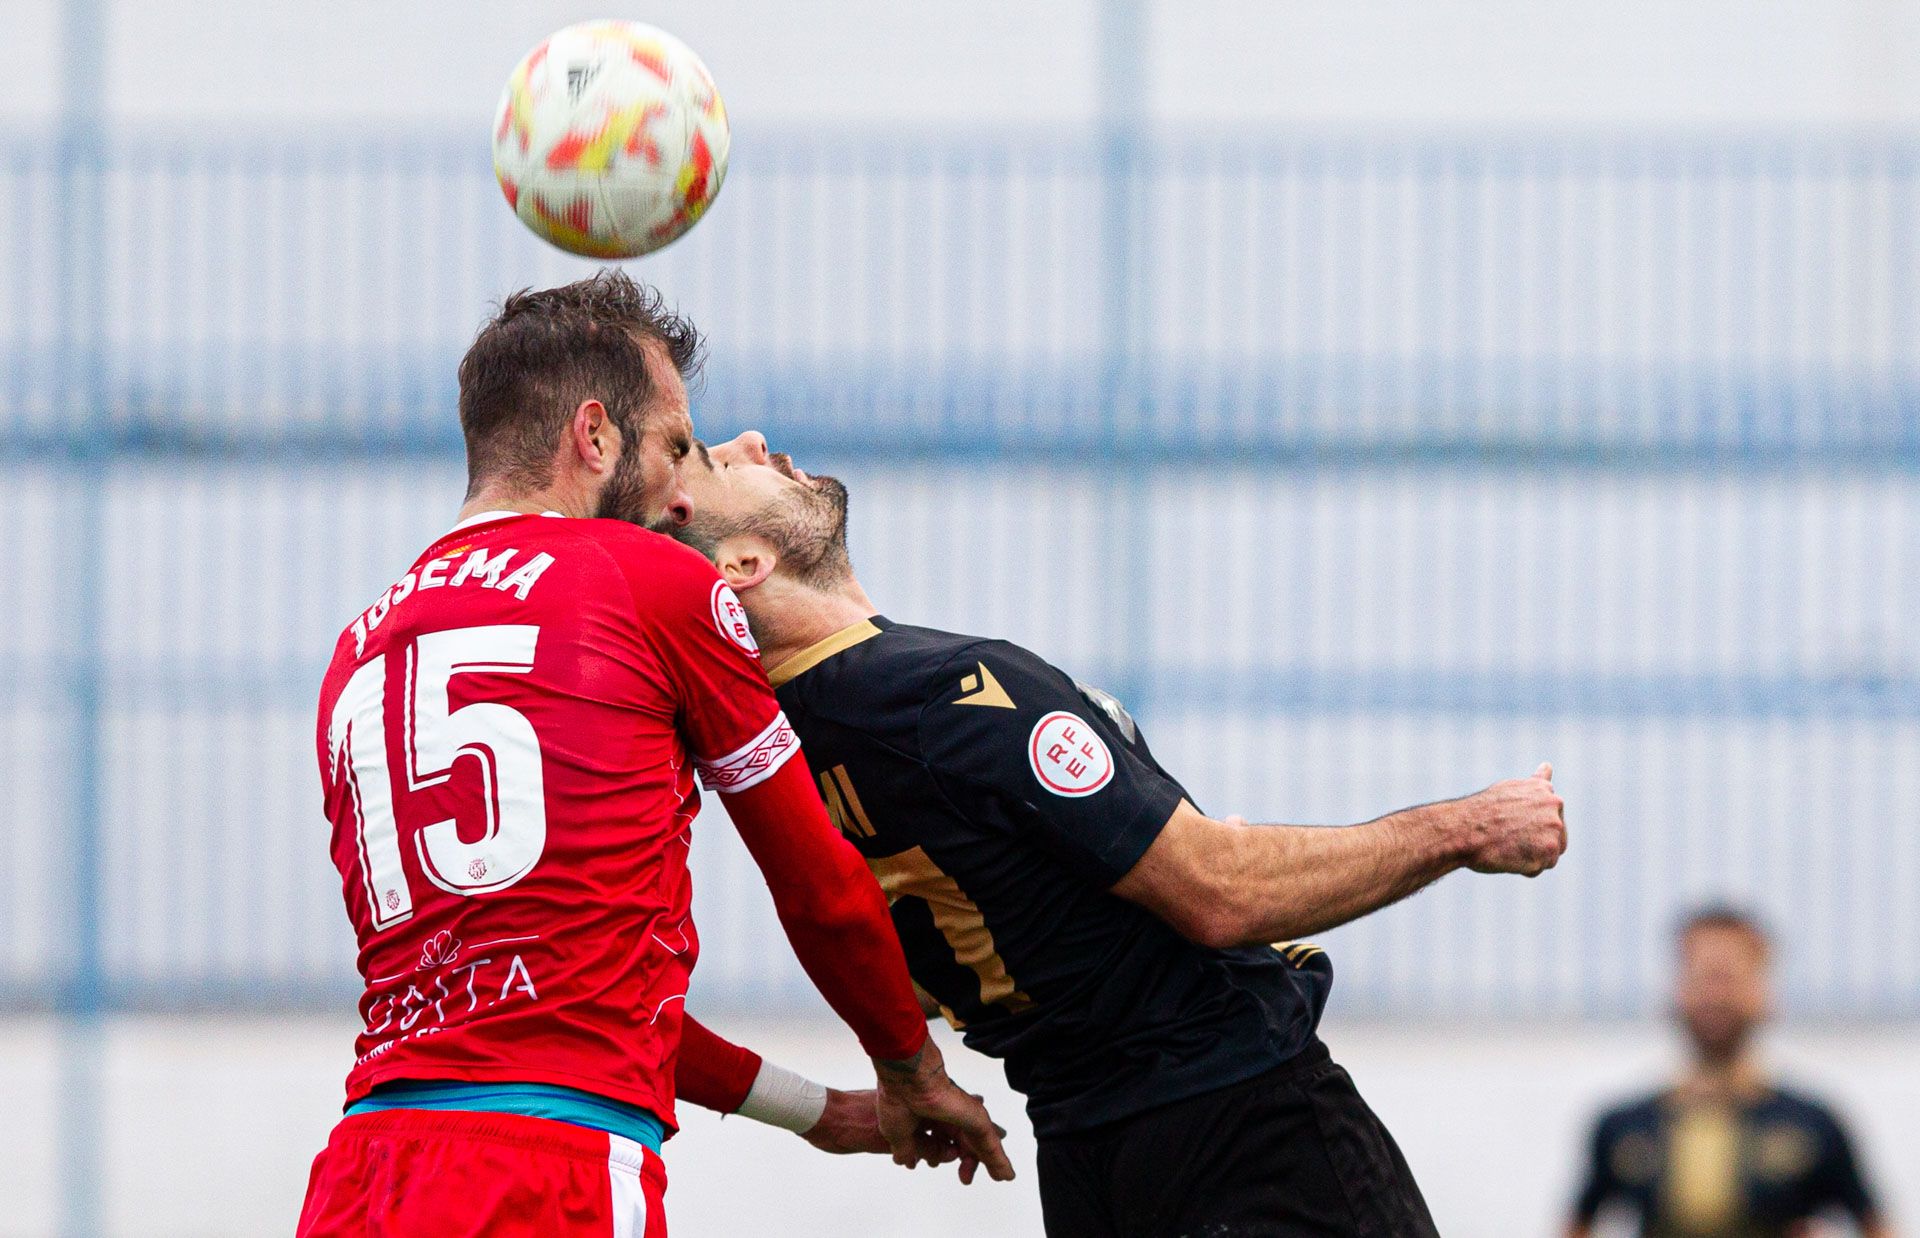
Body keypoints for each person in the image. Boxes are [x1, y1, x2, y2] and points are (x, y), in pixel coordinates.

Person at [655, 428, 1571, 1237]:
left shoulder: (788, 749)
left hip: (1093, 1164)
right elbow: (1222, 894)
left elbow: (938, 971)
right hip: (1247, 1133)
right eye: (711, 457)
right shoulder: (945, 693)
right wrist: (1466, 828)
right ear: (742, 566)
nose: (753, 439)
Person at [298, 274, 1009, 1238]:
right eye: (677, 445)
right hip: (550, 1175)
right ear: (594, 439)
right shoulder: (653, 583)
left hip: (364, 1176)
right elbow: (819, 891)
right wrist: (912, 1070)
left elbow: (559, 987)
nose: (684, 486)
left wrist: (821, 1113)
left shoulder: (362, 646)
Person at [1568, 906, 1892, 1238]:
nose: (1716, 995)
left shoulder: (1813, 1125)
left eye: (1729, 978)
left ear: (1763, 992)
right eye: (1702, 976)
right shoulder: (1624, 1127)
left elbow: (1877, 1224)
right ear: (1677, 988)